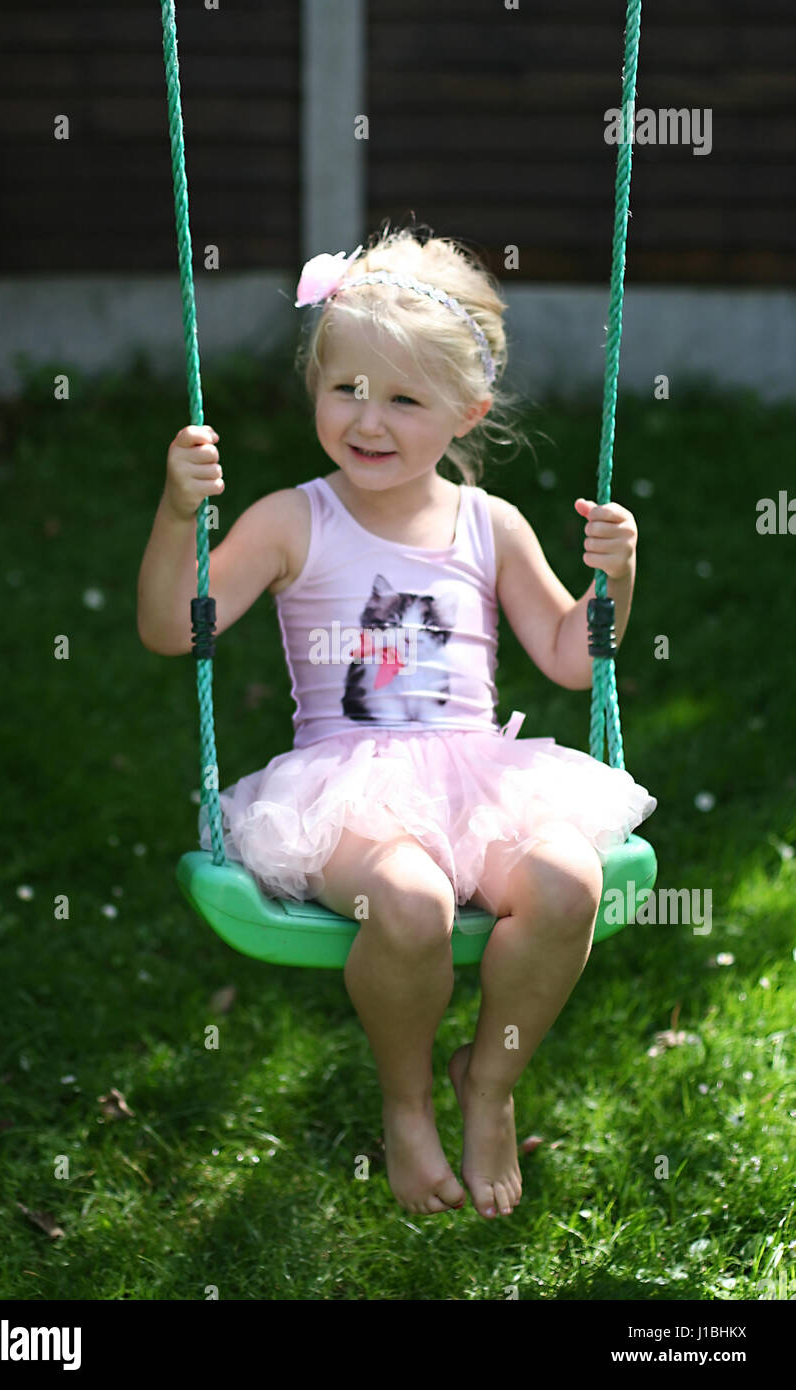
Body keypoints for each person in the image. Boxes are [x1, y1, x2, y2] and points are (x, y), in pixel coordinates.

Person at [137, 226, 657, 1222]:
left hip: (477, 777)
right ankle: (406, 1102)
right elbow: (172, 627)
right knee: (409, 900)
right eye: (346, 390)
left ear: (467, 411)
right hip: (345, 790)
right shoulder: (296, 520)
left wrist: (614, 582)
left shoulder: (487, 523)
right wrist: (174, 516)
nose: (367, 421)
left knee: (566, 880)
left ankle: (489, 1083)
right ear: (316, 384)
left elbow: (567, 650)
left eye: (403, 400)